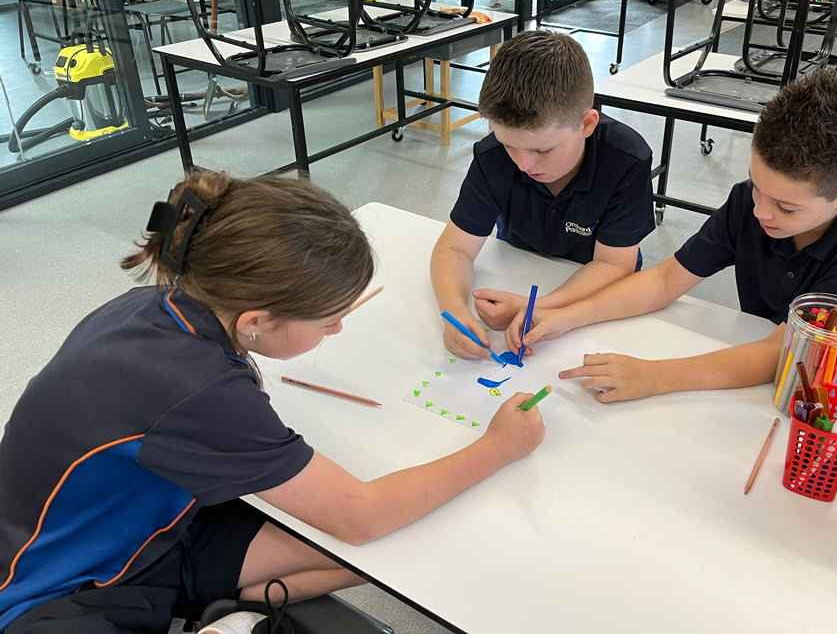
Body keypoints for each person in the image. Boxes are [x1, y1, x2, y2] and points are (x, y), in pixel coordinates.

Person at [0, 173, 544, 633]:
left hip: (155, 530)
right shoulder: (198, 389)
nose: (337, 328)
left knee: (392, 548)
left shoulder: (157, 306)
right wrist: (498, 447)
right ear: (257, 322)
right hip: (52, 593)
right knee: (377, 533)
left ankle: (220, 607)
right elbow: (360, 515)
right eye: (328, 320)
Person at [508, 68, 837, 403]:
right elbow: (665, 280)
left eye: (786, 207)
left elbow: (788, 350)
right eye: (757, 186)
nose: (760, 212)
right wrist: (564, 317)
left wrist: (654, 376)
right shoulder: (749, 204)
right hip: (766, 364)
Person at [431, 31, 655, 360]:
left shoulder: (626, 160)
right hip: (520, 267)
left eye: (542, 150)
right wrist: (454, 312)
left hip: (596, 296)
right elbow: (454, 248)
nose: (523, 164)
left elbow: (613, 264)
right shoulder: (493, 157)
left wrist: (538, 307)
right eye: (509, 145)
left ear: (587, 124)